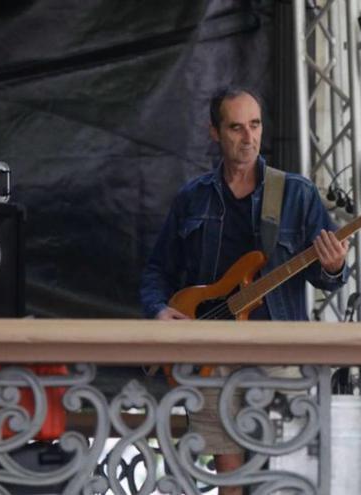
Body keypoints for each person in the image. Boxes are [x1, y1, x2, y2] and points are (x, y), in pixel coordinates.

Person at [140, 87, 349, 494]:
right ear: (215, 132)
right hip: (210, 350)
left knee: (285, 475)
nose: (248, 136)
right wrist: (159, 310)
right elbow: (157, 270)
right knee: (229, 482)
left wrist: (335, 265)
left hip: (277, 351)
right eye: (235, 127)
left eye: (254, 125)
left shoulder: (296, 194)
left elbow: (330, 278)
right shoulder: (192, 197)